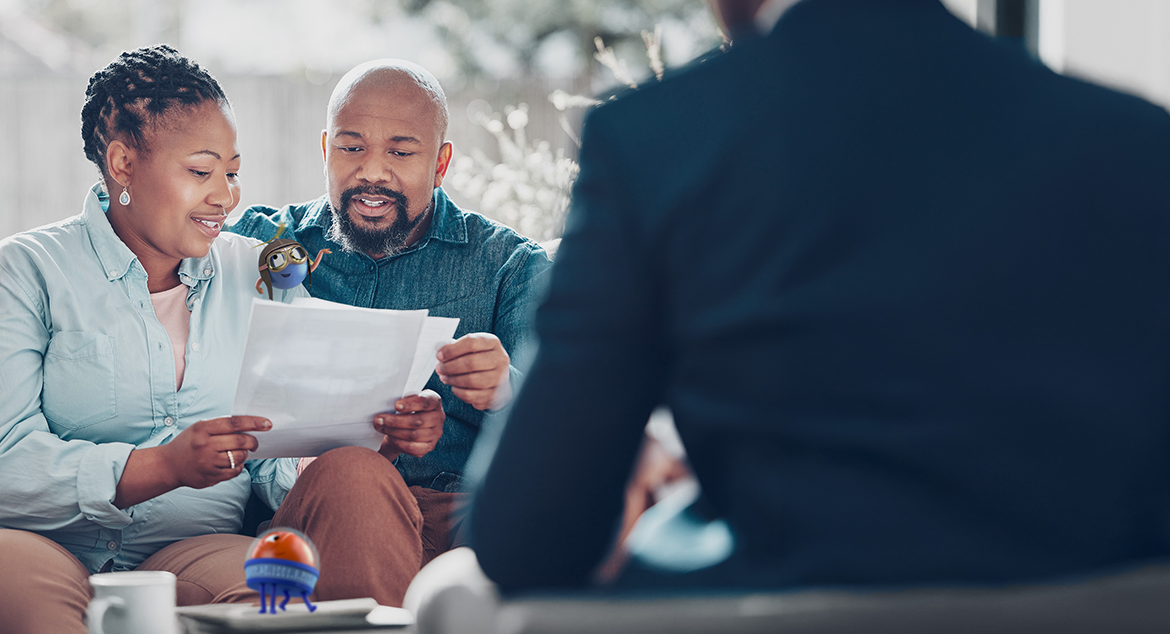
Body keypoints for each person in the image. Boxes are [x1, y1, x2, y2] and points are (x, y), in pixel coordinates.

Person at [470, 0, 1170, 593]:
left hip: (769, 601)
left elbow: (524, 539)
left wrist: (628, 464)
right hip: (1083, 604)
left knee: (454, 593)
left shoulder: (658, 141)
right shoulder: (1138, 143)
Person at [0, 45, 444, 634]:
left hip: (194, 543)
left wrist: (376, 430)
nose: (226, 197)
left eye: (232, 174)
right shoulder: (28, 270)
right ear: (122, 163)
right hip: (42, 542)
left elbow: (282, 456)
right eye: (201, 172)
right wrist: (163, 466)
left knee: (273, 605)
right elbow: (8, 458)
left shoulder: (260, 274)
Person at [226, 59, 553, 582]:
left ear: (441, 163)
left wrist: (505, 390)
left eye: (401, 152)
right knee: (356, 478)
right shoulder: (257, 243)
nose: (372, 171)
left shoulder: (508, 265)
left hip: (465, 515)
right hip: (321, 507)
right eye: (351, 147)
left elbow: (571, 426)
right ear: (326, 150)